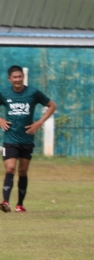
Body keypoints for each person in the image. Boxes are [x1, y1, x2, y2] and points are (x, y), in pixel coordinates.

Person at [0, 66, 57, 213]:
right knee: (10, 168)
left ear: (23, 77)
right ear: (9, 79)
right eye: (15, 77)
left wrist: (39, 123)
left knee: (23, 171)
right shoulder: (4, 93)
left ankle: (20, 205)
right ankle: (5, 202)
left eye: (20, 76)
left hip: (27, 140)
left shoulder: (32, 92)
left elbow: (52, 106)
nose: (18, 79)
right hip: (10, 139)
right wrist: (0, 119)